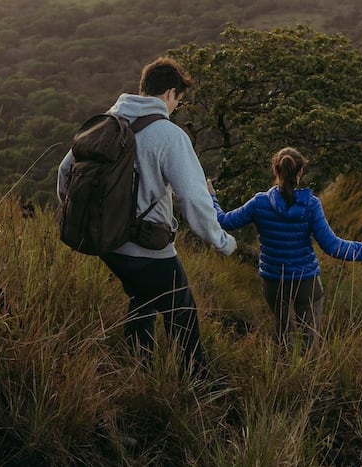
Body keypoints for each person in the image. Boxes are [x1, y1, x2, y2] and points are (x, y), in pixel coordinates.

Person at [57, 57, 236, 376]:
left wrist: (94, 217)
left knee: (142, 295)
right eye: (178, 101)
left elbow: (65, 172)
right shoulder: (169, 136)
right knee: (182, 314)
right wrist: (222, 242)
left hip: (109, 245)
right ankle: (199, 385)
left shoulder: (106, 122)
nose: (176, 108)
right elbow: (194, 199)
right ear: (170, 93)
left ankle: (136, 370)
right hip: (148, 248)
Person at [208, 147, 362, 351]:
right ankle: (306, 377)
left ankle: (284, 373)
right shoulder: (311, 205)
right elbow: (332, 246)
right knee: (309, 341)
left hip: (273, 281)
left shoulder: (259, 203)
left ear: (276, 170)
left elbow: (224, 221)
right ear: (300, 172)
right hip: (305, 281)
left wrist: (211, 197)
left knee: (282, 335)